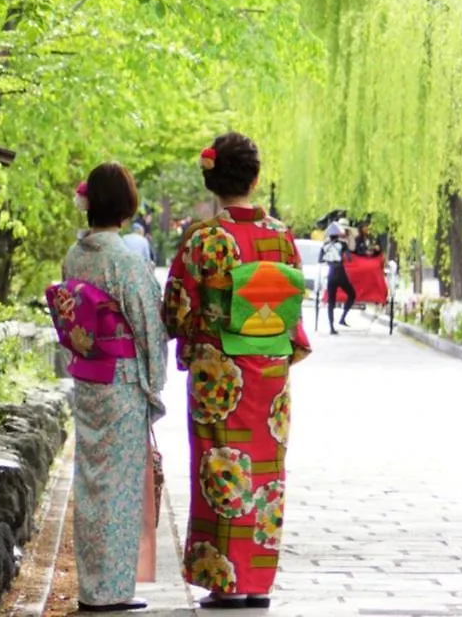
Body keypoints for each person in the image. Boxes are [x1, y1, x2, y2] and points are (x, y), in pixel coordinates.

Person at [162, 132, 311, 610]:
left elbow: (177, 307)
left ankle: (225, 580)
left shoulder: (203, 238)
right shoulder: (281, 236)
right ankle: (257, 582)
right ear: (256, 179)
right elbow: (292, 312)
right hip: (268, 375)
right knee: (266, 474)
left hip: (219, 374)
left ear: (211, 180)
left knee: (220, 467)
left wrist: (191, 330)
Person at [48, 162, 167, 613]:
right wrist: (154, 384)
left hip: (88, 377)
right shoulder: (125, 260)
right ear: (126, 206)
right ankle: (110, 591)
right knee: (117, 487)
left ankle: (90, 587)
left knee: (91, 482)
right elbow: (149, 328)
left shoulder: (75, 256)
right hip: (120, 383)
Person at [320, 221, 356, 333]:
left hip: (331, 274)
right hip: (340, 273)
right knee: (351, 294)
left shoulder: (325, 246)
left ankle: (331, 327)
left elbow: (320, 260)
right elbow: (349, 257)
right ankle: (343, 317)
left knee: (331, 302)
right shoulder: (342, 244)